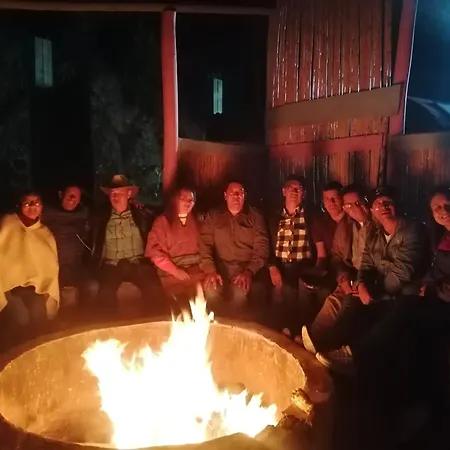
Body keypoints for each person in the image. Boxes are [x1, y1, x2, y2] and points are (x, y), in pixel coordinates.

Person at [313, 186, 430, 373]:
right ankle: (328, 347)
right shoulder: (375, 232)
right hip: (379, 287)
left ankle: (353, 355)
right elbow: (366, 263)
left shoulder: (412, 231)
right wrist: (361, 285)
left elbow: (402, 272)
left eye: (388, 203)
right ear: (373, 210)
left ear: (397, 205)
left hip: (405, 292)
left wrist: (374, 292)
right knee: (352, 300)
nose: (383, 207)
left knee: (394, 311)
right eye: (378, 204)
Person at [302, 184, 372, 357]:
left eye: (358, 203)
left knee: (347, 304)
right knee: (333, 300)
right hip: (351, 275)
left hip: (370, 277)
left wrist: (360, 282)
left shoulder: (376, 225)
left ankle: (331, 349)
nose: (354, 208)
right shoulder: (346, 225)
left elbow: (375, 262)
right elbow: (337, 256)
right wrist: (343, 277)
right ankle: (312, 340)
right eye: (349, 205)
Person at [91, 175, 163, 317]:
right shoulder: (101, 216)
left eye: (119, 193)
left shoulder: (141, 214)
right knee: (105, 292)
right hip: (111, 264)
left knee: (153, 288)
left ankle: (154, 324)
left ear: (129, 194)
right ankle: (109, 326)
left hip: (137, 262)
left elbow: (161, 215)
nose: (115, 197)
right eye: (112, 193)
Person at [199, 180, 270, 318]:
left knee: (239, 293)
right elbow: (205, 244)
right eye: (232, 192)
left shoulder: (255, 216)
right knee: (211, 292)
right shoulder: (214, 216)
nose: (236, 196)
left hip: (244, 269)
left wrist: (249, 272)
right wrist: (210, 270)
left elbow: (262, 248)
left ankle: (235, 327)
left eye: (240, 193)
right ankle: (215, 325)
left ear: (245, 196)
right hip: (220, 269)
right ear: (225, 195)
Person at [267, 176, 326, 336]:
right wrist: (272, 267)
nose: (294, 192)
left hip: (303, 265)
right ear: (283, 191)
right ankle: (283, 331)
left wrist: (316, 269)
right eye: (290, 188)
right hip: (280, 264)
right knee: (280, 290)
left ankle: (297, 331)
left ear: (303, 194)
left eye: (298, 189)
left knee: (294, 288)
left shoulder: (311, 216)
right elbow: (266, 245)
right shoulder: (274, 216)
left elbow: (319, 247)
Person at [0, 191, 59, 340]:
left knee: (39, 314)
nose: (32, 206)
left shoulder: (45, 233)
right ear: (20, 206)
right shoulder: (8, 224)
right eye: (27, 203)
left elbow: (51, 265)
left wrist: (44, 286)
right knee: (21, 318)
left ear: (42, 207)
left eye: (36, 202)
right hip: (8, 287)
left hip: (35, 288)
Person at [146, 187, 203, 312]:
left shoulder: (198, 221)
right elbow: (155, 253)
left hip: (196, 274)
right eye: (183, 198)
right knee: (183, 307)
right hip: (172, 276)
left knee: (206, 300)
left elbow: (205, 248)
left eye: (191, 199)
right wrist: (175, 271)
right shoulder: (162, 222)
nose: (188, 202)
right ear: (175, 200)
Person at [42, 185, 98, 309]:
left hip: (75, 266)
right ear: (60, 194)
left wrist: (132, 203)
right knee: (63, 295)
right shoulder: (46, 214)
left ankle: (86, 316)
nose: (72, 198)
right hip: (55, 268)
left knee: (92, 286)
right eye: (69, 194)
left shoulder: (83, 214)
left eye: (76, 196)